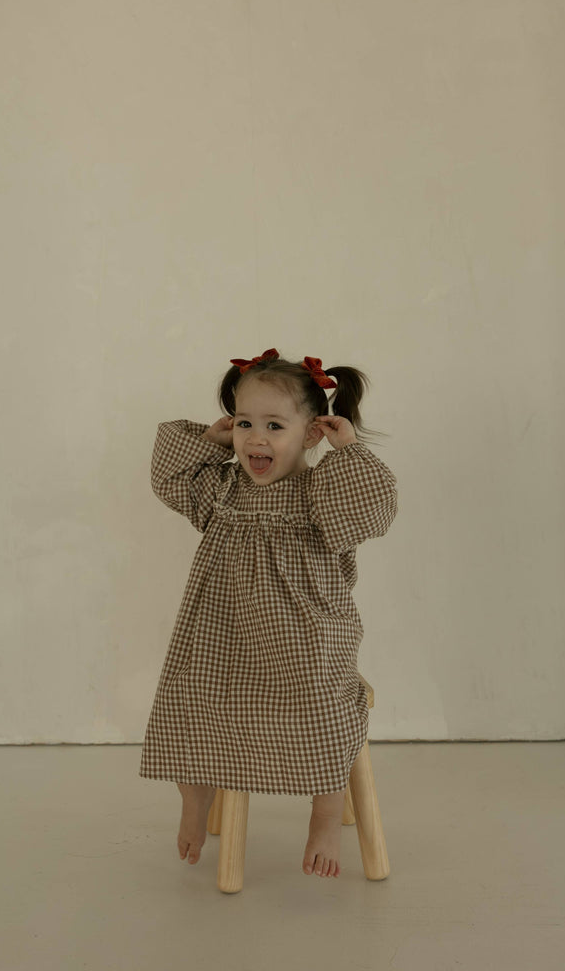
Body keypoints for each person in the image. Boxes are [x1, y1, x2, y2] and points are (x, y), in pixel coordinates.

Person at [139, 348, 398, 879]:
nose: (255, 438)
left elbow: (372, 509)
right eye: (244, 423)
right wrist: (209, 439)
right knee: (186, 702)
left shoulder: (322, 493)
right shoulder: (223, 489)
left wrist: (348, 449)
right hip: (222, 637)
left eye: (274, 426)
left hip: (306, 638)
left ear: (311, 432)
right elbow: (168, 477)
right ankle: (194, 799)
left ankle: (324, 816)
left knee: (324, 707)